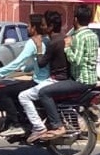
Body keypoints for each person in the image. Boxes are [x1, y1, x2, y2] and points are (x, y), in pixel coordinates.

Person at [0, 14, 49, 136]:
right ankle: (23, 119)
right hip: (45, 79)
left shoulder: (32, 42)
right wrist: (24, 69)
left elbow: (17, 62)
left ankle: (16, 124)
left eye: (28, 26)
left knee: (4, 91)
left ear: (34, 28)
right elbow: (40, 63)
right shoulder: (45, 40)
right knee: (16, 87)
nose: (27, 29)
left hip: (38, 82)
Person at [20, 12, 71, 142]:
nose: (41, 27)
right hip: (63, 78)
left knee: (23, 96)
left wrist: (38, 48)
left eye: (43, 25)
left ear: (51, 26)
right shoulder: (63, 38)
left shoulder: (53, 42)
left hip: (56, 79)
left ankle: (38, 127)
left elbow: (42, 63)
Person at [41, 5, 100, 106]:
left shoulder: (79, 37)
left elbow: (76, 60)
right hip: (92, 79)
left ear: (75, 19)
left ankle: (55, 122)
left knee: (44, 92)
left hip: (81, 81)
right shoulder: (93, 35)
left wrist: (67, 47)